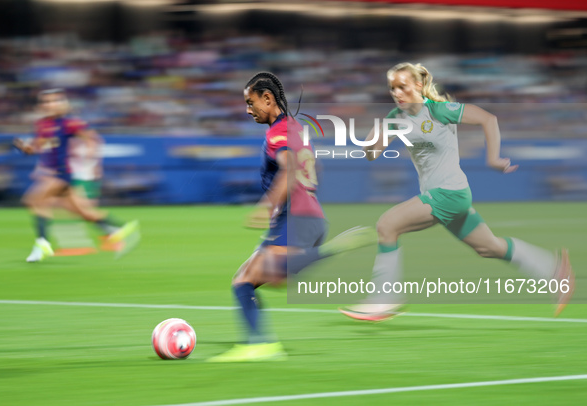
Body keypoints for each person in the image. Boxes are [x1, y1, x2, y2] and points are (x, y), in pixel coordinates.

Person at [340, 62, 575, 321]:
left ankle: (385, 298)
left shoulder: (439, 111)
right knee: (490, 248)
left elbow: (488, 118)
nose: (396, 92)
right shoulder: (396, 118)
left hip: (448, 193)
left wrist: (493, 158)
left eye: (402, 86)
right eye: (392, 88)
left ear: (418, 85)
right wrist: (372, 140)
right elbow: (372, 154)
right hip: (447, 196)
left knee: (387, 225)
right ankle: (553, 270)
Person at [209, 72, 375, 363]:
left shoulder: (277, 133)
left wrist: (265, 205)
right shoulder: (296, 128)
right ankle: (260, 343)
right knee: (243, 280)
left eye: (251, 103)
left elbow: (288, 170)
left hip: (294, 219)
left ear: (268, 98)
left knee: (262, 276)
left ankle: (260, 343)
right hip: (306, 217)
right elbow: (313, 168)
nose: (248, 110)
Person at [14, 89, 139, 262]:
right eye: (46, 101)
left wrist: (90, 156)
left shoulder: (68, 123)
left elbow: (92, 138)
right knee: (81, 211)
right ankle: (117, 229)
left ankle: (42, 244)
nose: (50, 104)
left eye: (54, 101)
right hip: (52, 174)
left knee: (33, 200)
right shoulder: (42, 124)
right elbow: (38, 146)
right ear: (41, 105)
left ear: (62, 103)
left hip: (61, 174)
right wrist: (26, 148)